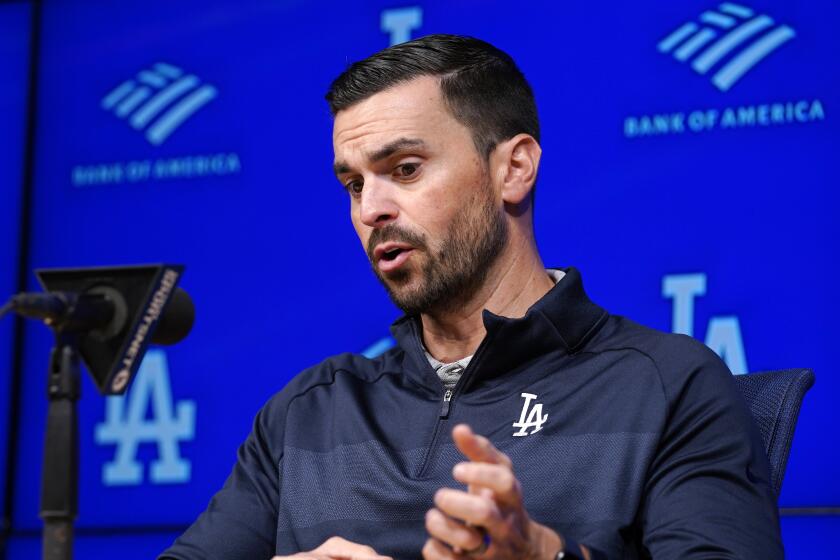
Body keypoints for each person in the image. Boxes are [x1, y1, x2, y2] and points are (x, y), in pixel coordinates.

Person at [159, 35, 783, 560]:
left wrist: (545, 556)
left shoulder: (667, 384)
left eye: (404, 169)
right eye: (353, 184)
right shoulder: (310, 410)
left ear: (513, 169)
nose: (370, 209)